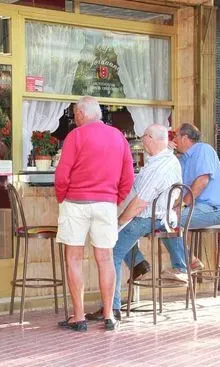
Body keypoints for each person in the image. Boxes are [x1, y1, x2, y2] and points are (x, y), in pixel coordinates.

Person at [85, 124, 182, 322]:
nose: (142, 140)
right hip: (155, 215)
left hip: (148, 217)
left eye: (144, 136)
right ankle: (138, 263)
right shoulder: (161, 161)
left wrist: (120, 220)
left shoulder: (161, 166)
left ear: (152, 139)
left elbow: (139, 204)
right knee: (118, 237)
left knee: (110, 250)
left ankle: (112, 307)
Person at [55, 96, 134, 332]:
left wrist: (63, 197)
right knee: (106, 259)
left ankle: (79, 317)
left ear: (80, 114)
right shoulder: (118, 136)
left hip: (76, 203)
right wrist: (114, 199)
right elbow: (128, 177)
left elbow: (62, 175)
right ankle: (109, 315)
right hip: (106, 204)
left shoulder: (75, 136)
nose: (75, 118)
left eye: (75, 114)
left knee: (74, 258)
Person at [124, 123, 220, 283]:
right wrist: (167, 150)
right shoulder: (181, 159)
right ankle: (187, 260)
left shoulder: (203, 149)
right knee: (160, 218)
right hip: (199, 208)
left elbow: (202, 180)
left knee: (166, 219)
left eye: (176, 136)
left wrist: (181, 204)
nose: (173, 139)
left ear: (186, 138)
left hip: (215, 210)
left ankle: (182, 267)